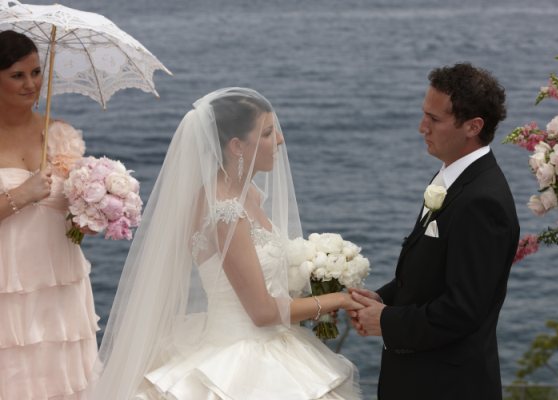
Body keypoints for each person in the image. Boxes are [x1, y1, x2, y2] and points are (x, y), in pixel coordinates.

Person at [89, 87, 362, 400]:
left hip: (268, 343)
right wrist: (338, 300)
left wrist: (312, 293)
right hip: (241, 360)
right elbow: (262, 312)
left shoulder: (248, 196)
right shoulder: (225, 212)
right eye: (268, 133)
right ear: (236, 146)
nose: (280, 140)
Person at [349, 63, 520, 400]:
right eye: (423, 114)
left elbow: (463, 310)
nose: (421, 127)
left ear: (473, 126)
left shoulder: (483, 201)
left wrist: (386, 321)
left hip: (448, 386)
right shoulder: (451, 178)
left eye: (434, 119)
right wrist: (382, 299)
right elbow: (432, 273)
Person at [0, 30, 99, 399]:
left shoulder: (60, 135)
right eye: (17, 75)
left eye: (36, 72)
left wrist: (88, 219)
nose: (31, 84)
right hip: (6, 286)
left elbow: (72, 224)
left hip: (60, 281)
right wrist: (21, 195)